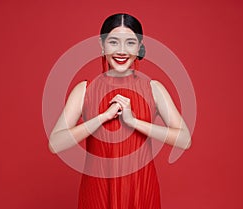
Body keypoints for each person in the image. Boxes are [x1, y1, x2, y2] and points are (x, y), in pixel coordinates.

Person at [48, 13, 191, 209]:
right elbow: (55, 144)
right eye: (114, 42)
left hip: (141, 190)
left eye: (130, 43)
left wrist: (134, 122)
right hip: (97, 191)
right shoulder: (85, 90)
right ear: (102, 44)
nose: (122, 51)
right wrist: (102, 118)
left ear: (139, 46)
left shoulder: (153, 89)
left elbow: (184, 139)